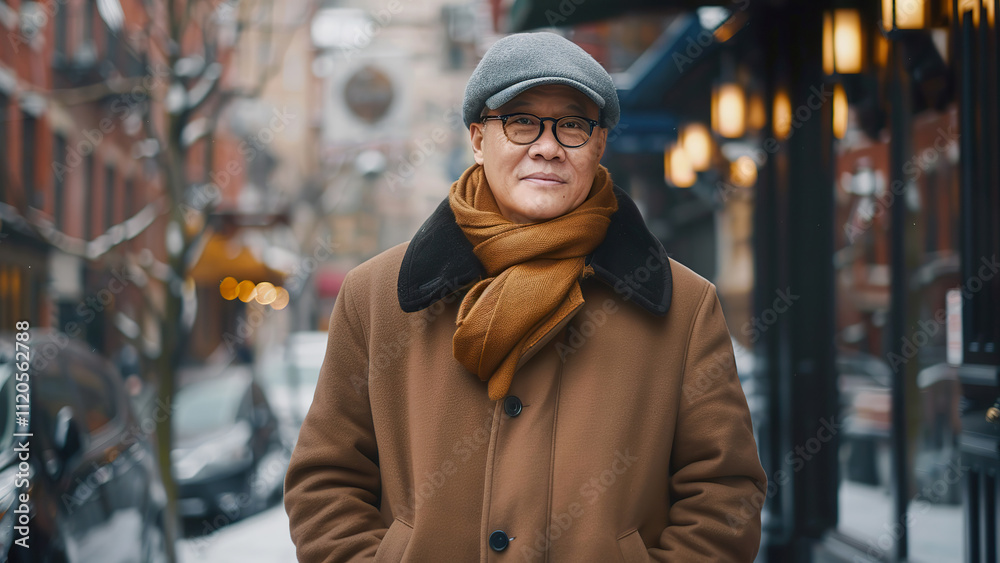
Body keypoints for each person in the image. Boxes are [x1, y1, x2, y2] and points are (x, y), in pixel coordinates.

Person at [284, 31, 766, 562]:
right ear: (477, 137)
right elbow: (326, 478)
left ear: (599, 145)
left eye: (573, 125)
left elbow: (725, 492)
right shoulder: (377, 296)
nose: (547, 145)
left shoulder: (683, 305)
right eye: (521, 121)